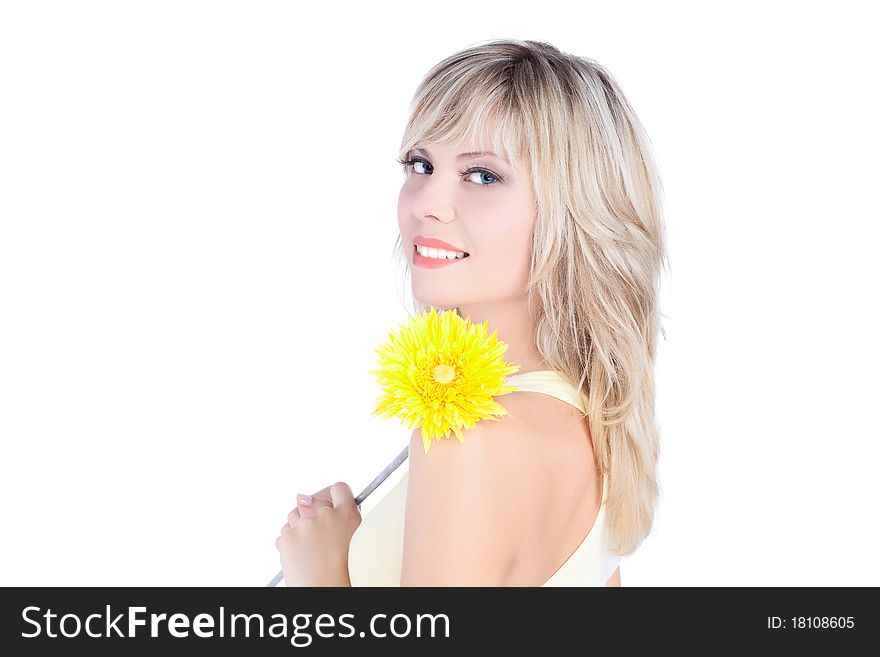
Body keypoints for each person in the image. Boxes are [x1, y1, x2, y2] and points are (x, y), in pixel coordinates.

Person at [276, 38, 667, 587]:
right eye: (420, 164)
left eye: (482, 175)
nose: (426, 202)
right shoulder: (598, 425)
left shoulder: (470, 437)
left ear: (576, 209)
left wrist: (320, 575)